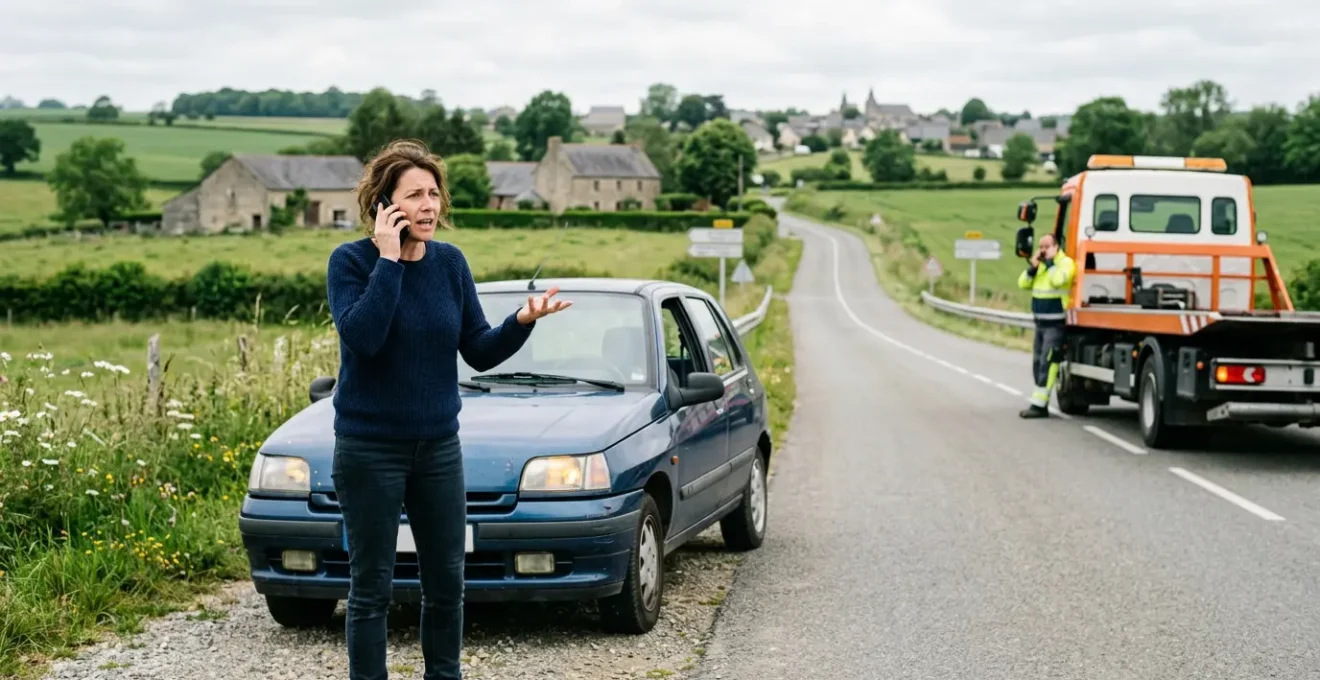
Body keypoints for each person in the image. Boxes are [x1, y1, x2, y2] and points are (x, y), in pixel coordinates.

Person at [325, 139, 571, 680]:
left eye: (434, 193)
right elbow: (363, 338)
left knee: (446, 583)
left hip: (438, 448)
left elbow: (478, 350)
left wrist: (521, 324)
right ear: (384, 205)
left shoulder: (450, 263)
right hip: (369, 451)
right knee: (371, 587)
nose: (430, 205)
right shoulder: (351, 262)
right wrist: (389, 260)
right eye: (415, 195)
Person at [1017, 232, 1075, 419]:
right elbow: (1022, 284)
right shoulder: (1040, 265)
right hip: (1040, 323)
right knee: (1037, 362)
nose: (1042, 250)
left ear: (1056, 247)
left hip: (1056, 323)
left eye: (1046, 246)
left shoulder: (1065, 263)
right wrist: (1032, 269)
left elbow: (1059, 281)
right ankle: (1038, 400)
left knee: (1048, 362)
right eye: (1040, 247)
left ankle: (1040, 405)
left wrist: (1050, 264)